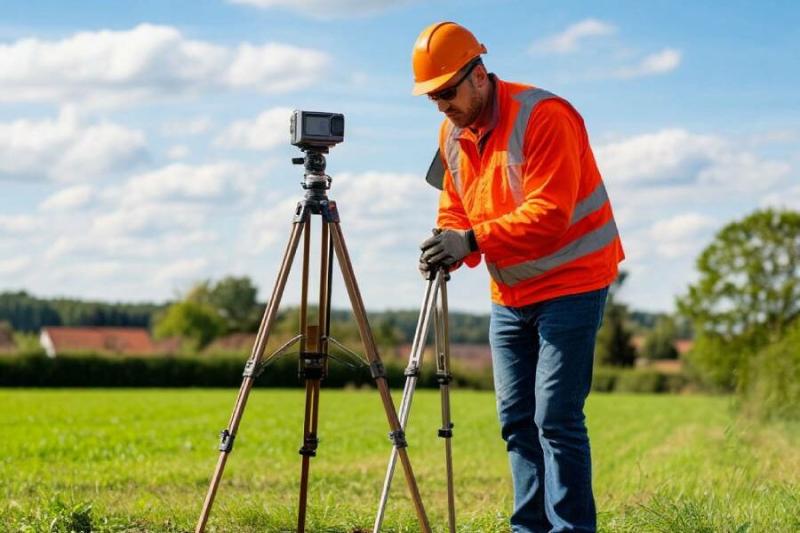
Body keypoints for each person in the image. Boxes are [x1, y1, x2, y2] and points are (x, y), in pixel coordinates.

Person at [412, 21, 625, 533]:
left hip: (573, 283)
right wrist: (447, 243)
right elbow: (456, 207)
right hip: (510, 293)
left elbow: (549, 213)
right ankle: (528, 527)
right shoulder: (453, 133)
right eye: (432, 97)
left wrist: (474, 242)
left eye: (447, 93)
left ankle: (572, 528)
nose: (442, 106)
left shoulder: (544, 116)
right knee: (516, 420)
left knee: (555, 418)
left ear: (479, 75)